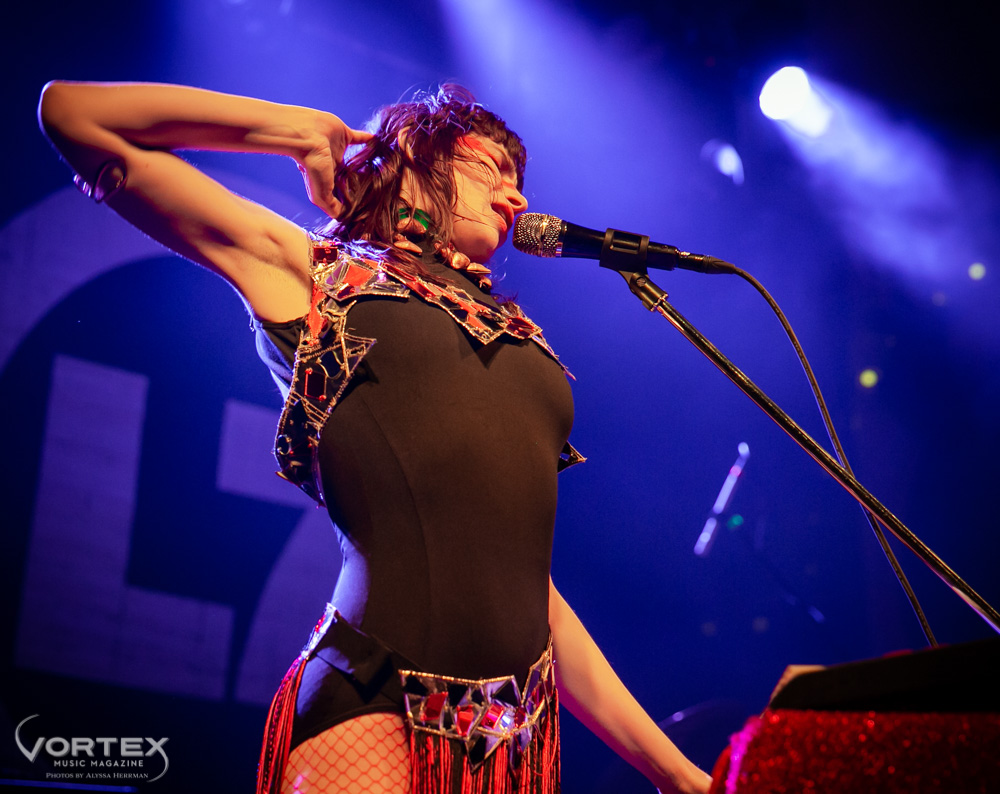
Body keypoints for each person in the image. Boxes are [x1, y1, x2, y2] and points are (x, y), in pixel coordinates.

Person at [39, 80, 713, 794]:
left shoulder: (524, 339)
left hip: (512, 741)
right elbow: (74, 116)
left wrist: (676, 775)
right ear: (413, 160)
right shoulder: (315, 274)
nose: (514, 198)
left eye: (520, 183)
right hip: (373, 700)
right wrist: (293, 130)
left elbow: (526, 591)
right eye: (489, 169)